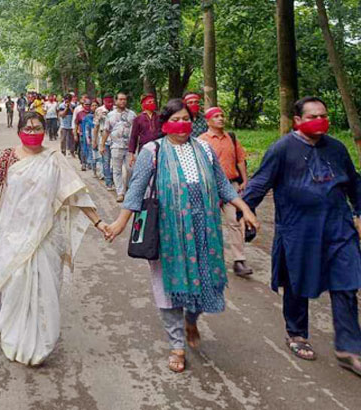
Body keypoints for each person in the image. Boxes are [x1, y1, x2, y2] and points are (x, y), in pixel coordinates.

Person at [105, 99, 259, 373]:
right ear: (165, 123)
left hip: (205, 229)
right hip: (168, 232)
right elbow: (136, 190)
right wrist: (120, 223)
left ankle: (192, 319)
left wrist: (244, 208)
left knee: (204, 280)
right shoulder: (152, 151)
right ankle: (176, 344)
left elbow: (223, 186)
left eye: (186, 119)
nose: (181, 125)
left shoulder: (205, 149)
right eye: (175, 120)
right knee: (168, 287)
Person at [0, 112, 108, 366]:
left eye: (38, 127)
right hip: (12, 234)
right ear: (18, 130)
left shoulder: (54, 160)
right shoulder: (9, 157)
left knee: (43, 289)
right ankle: (16, 339)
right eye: (27, 127)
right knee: (16, 285)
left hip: (45, 236)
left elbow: (75, 195)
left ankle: (40, 344)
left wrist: (99, 222)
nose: (33, 131)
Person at [242, 96, 361, 375]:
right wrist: (246, 213)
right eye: (312, 116)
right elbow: (260, 183)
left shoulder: (337, 148)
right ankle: (296, 333)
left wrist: (359, 212)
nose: (319, 120)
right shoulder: (282, 149)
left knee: (346, 283)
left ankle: (348, 348)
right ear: (297, 121)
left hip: (338, 228)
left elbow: (354, 183)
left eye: (323, 114)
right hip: (299, 231)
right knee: (296, 281)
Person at [198, 107, 252, 276]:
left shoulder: (231, 138)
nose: (221, 119)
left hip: (231, 186)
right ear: (208, 121)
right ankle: (209, 260)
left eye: (222, 115)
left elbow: (240, 159)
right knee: (209, 223)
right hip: (210, 188)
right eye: (216, 116)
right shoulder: (201, 140)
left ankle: (239, 260)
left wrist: (245, 180)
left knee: (234, 222)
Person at [101, 92, 137, 202]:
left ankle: (131, 191)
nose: (123, 101)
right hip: (115, 146)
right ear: (116, 101)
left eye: (124, 99)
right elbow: (106, 131)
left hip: (130, 147)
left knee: (131, 169)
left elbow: (136, 132)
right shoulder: (110, 115)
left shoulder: (132, 115)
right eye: (120, 99)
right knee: (117, 171)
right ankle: (120, 193)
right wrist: (102, 145)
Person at [128, 94, 161, 167]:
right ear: (143, 104)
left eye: (153, 102)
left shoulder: (159, 117)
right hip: (144, 148)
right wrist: (132, 154)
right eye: (149, 102)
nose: (152, 103)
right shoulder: (138, 119)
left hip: (158, 147)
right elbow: (134, 137)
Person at [93, 93, 114, 189]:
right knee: (106, 161)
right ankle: (108, 182)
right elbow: (96, 126)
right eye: (107, 101)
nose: (109, 103)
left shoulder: (116, 110)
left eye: (111, 101)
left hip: (115, 139)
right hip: (103, 139)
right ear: (104, 101)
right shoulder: (99, 110)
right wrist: (95, 140)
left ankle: (114, 179)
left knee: (114, 162)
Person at [75, 99, 94, 171]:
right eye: (86, 104)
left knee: (90, 149)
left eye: (89, 105)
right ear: (83, 105)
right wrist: (75, 134)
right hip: (82, 134)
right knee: (83, 149)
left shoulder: (93, 113)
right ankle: (83, 163)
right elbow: (76, 124)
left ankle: (90, 163)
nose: (87, 106)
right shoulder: (79, 114)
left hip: (91, 135)